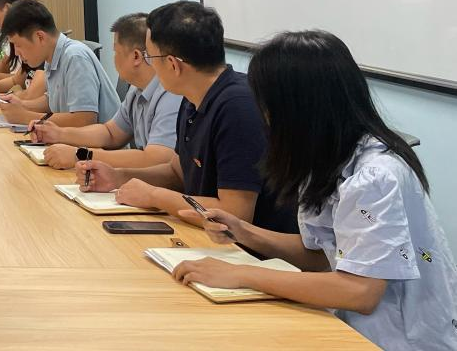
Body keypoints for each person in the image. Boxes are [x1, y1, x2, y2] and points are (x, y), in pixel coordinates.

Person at [171, 30, 457, 351]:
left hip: (396, 340)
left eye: (266, 105)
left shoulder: (374, 176)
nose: (263, 117)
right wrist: (243, 232)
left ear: (296, 108)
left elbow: (360, 291)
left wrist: (242, 274)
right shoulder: (325, 158)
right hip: (346, 326)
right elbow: (321, 255)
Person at [75, 0, 296, 232]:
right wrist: (118, 177)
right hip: (206, 234)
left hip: (248, 248)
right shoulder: (192, 98)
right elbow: (177, 172)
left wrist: (154, 196)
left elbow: (236, 213)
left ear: (173, 64)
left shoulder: (238, 107)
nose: (150, 66)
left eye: (151, 58)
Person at [31, 12, 181, 169]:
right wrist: (58, 134)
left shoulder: (171, 94)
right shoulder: (136, 90)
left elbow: (156, 159)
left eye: (116, 52)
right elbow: (110, 133)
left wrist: (80, 154)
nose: (114, 58)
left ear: (136, 57)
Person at [0, 0, 119, 128]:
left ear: (40, 37)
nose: (16, 53)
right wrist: (21, 105)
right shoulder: (51, 57)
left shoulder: (74, 57)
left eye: (18, 45)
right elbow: (52, 101)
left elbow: (84, 119)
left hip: (100, 140)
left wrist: (25, 117)